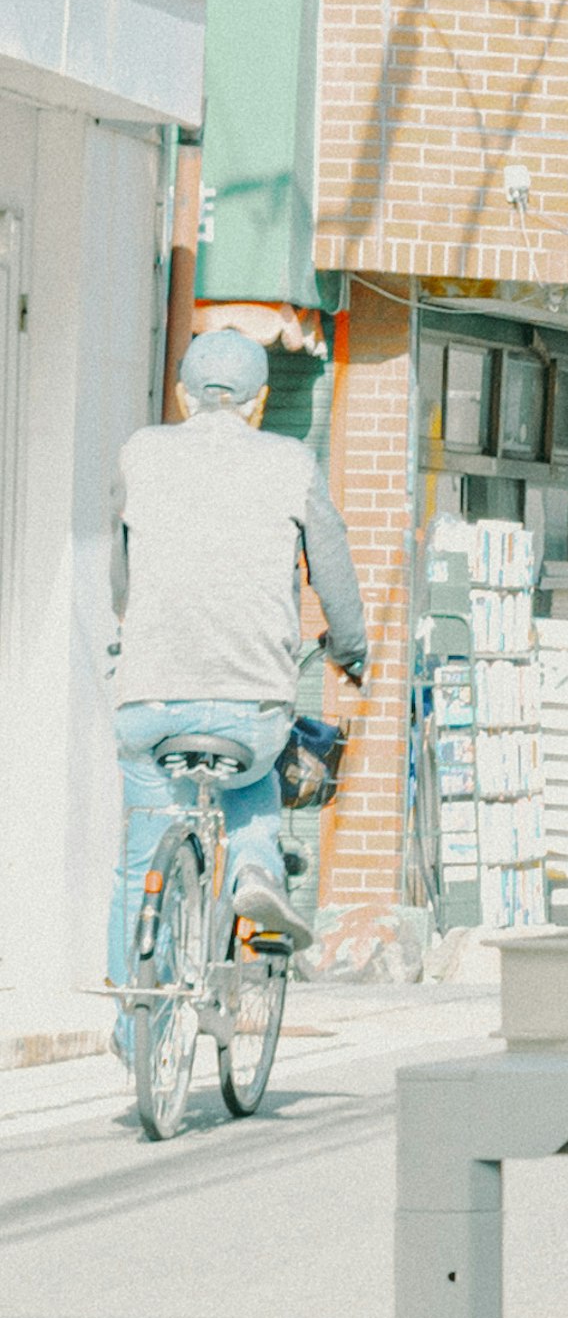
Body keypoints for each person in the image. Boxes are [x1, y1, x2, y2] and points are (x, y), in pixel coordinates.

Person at [104, 321, 366, 969]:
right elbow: (330, 566)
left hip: (150, 701)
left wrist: (131, 623)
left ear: (181, 394)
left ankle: (139, 1025)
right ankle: (254, 869)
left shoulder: (140, 451)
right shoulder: (291, 463)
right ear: (260, 401)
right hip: (250, 708)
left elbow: (121, 572)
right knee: (253, 779)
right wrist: (350, 649)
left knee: (140, 861)